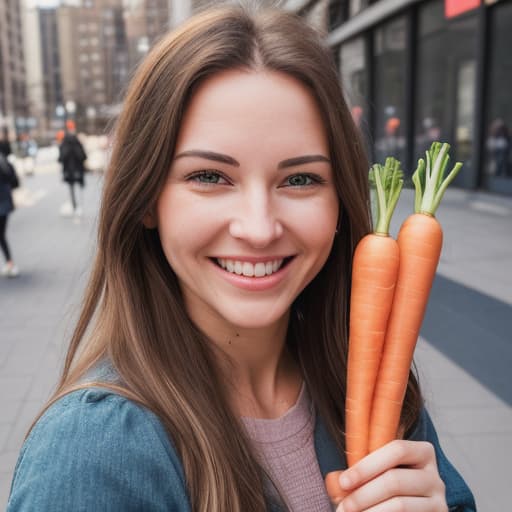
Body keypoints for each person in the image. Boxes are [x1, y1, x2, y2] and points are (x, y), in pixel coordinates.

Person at [7, 5, 475, 512]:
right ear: (146, 201)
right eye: (209, 176)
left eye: (300, 179)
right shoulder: (93, 451)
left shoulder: (369, 384)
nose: (259, 228)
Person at [58, 119, 87, 217]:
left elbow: (61, 157)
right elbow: (83, 156)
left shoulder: (65, 142)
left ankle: (75, 206)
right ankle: (79, 207)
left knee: (72, 189)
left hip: (69, 170)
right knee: (78, 188)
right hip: (77, 169)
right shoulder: (76, 141)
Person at [0, 140, 20, 277]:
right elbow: (12, 177)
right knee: (1, 234)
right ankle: (10, 263)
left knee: (1, 235)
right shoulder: (2, 159)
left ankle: (10, 263)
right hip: (5, 201)